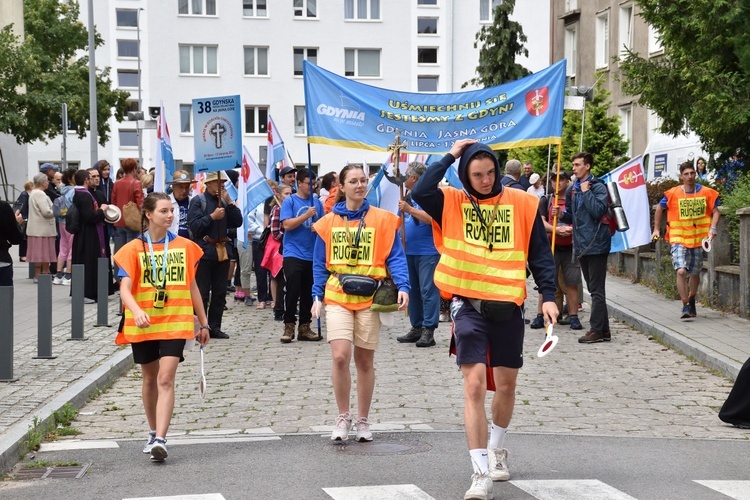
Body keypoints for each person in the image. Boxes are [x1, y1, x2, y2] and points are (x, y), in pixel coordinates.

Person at [411, 139, 557, 499]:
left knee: (505, 386)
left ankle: (497, 447)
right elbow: (420, 189)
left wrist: (549, 297)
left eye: (491, 172)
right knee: (475, 385)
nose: (486, 180)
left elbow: (539, 253)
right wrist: (452, 154)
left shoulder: (522, 203)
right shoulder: (451, 202)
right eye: (476, 174)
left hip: (508, 307)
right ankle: (479, 473)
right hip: (467, 304)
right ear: (465, 175)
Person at [311, 164, 410, 442]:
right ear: (341, 187)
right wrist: (316, 295)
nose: (359, 185)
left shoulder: (382, 219)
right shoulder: (328, 222)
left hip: (370, 296)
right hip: (337, 294)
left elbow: (395, 257)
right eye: (353, 181)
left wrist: (403, 286)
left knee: (364, 360)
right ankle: (343, 415)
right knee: (340, 356)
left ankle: (363, 419)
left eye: (363, 180)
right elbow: (320, 263)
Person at [113, 192, 210, 463]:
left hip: (176, 322)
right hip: (144, 324)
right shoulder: (133, 249)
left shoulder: (185, 247)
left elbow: (192, 287)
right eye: (164, 211)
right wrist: (137, 310)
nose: (170, 216)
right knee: (149, 378)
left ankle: (161, 439)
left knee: (166, 378)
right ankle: (152, 429)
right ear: (149, 214)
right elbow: (124, 289)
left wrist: (204, 323)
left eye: (171, 211)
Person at [552, 152, 613, 344]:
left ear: (587, 166)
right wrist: (561, 214)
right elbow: (572, 215)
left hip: (597, 243)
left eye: (578, 165)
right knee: (593, 288)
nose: (574, 168)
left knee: (596, 290)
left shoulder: (597, 187)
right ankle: (603, 330)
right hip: (581, 244)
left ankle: (596, 330)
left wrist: (587, 192)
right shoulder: (573, 189)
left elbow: (598, 211)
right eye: (574, 165)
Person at [651, 161, 720, 319]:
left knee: (694, 273)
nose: (690, 176)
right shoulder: (673, 193)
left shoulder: (707, 192)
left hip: (698, 240)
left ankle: (692, 298)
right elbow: (660, 208)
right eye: (686, 174)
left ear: (695, 174)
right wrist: (656, 229)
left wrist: (713, 227)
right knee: (681, 270)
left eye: (692, 173)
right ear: (681, 176)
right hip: (678, 238)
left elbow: (716, 212)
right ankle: (684, 305)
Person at [187, 171, 243, 339]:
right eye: (218, 184)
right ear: (209, 185)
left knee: (220, 293)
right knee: (202, 293)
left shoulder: (225, 202)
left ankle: (215, 327)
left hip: (222, 251)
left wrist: (230, 203)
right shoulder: (198, 201)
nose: (221, 187)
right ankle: (199, 327)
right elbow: (195, 226)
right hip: (204, 252)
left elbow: (238, 222)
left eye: (223, 184)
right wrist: (212, 217)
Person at [530, 170, 583, 330]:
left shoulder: (574, 199)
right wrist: (555, 230)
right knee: (545, 282)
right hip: (550, 247)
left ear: (567, 181)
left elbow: (580, 221)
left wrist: (570, 229)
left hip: (570, 247)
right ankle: (541, 315)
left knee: (571, 282)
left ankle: (573, 316)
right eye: (554, 180)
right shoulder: (546, 200)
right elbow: (541, 222)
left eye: (561, 180)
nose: (557, 183)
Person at [396, 161, 440, 348]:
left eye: (406, 174)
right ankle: (417, 326)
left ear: (414, 178)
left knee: (427, 290)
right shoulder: (406, 196)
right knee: (412, 290)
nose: (404, 178)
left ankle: (429, 329)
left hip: (428, 251)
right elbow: (402, 221)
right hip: (409, 250)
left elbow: (434, 220)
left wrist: (410, 210)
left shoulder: (430, 196)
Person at [279, 169, 324, 343]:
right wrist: (306, 215)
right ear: (300, 183)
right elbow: (287, 225)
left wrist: (318, 226)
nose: (312, 186)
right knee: (292, 288)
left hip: (312, 253)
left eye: (314, 183)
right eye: (309, 183)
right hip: (293, 252)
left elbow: (324, 223)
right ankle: (289, 324)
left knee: (308, 291)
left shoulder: (317, 203)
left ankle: (305, 326)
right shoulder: (290, 201)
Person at [71, 169, 115, 303]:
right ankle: (86, 293)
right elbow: (89, 217)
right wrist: (102, 210)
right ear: (86, 180)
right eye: (91, 177)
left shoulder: (82, 193)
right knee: (88, 261)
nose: (93, 179)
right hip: (88, 235)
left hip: (89, 233)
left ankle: (95, 291)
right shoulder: (84, 195)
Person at [112, 158, 145, 273]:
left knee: (120, 251)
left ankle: (119, 278)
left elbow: (114, 202)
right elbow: (140, 203)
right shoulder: (136, 183)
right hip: (132, 221)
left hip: (119, 220)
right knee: (132, 252)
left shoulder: (116, 183)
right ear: (135, 168)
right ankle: (130, 279)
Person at [266, 183, 292, 320]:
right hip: (279, 248)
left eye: (290, 193)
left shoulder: (289, 208)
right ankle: (279, 309)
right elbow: (275, 232)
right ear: (279, 195)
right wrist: (290, 235)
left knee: (287, 279)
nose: (289, 196)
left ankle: (287, 307)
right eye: (286, 194)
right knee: (280, 279)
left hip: (288, 247)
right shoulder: (277, 209)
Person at [26, 173, 58, 281]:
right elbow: (46, 212)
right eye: (47, 181)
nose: (48, 183)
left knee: (38, 253)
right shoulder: (40, 194)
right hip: (44, 229)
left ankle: (37, 275)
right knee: (44, 253)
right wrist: (57, 211)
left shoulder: (33, 193)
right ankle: (44, 274)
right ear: (42, 182)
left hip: (36, 229)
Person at [53, 168, 77, 286]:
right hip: (71, 221)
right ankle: (68, 275)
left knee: (63, 247)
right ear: (71, 178)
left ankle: (58, 274)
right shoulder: (73, 190)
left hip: (61, 220)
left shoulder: (62, 190)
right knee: (72, 247)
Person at [0, 200, 24, 286]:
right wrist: (17, 223)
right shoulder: (3, 207)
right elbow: (15, 239)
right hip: (2, 260)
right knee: (4, 297)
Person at [166, 170, 196, 239]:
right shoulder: (165, 202)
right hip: (170, 243)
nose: (184, 191)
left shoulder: (194, 202)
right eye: (181, 187)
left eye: (186, 187)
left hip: (189, 243)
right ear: (173, 186)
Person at [14, 181, 33, 262]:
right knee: (24, 238)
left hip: (25, 218)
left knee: (25, 237)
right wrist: (25, 217)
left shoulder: (25, 194)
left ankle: (24, 254)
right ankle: (23, 255)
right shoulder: (25, 195)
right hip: (24, 219)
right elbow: (23, 206)